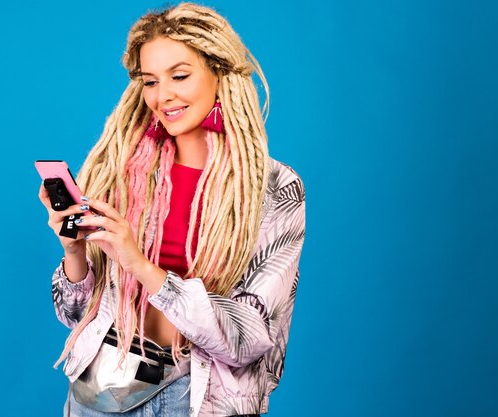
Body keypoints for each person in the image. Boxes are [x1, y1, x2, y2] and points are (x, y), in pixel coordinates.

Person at [38, 3, 306, 416]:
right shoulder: (124, 171)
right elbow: (75, 314)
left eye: (179, 76)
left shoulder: (271, 187)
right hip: (104, 392)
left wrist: (140, 264)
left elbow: (248, 339)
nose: (163, 96)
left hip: (198, 399)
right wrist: (74, 252)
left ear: (219, 72)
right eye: (150, 81)